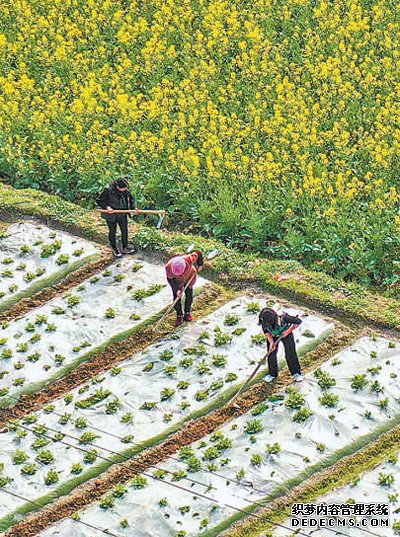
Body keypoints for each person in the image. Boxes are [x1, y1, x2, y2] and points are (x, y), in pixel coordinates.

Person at [258, 307, 303, 382]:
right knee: (271, 354)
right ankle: (272, 374)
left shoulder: (284, 318)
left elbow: (298, 322)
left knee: (290, 353)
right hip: (273, 336)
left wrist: (288, 332)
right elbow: (266, 332)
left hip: (285, 333)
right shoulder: (264, 321)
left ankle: (296, 373)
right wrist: (272, 342)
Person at [96, 178, 137, 257]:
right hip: (111, 215)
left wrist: (133, 208)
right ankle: (114, 248)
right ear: (117, 187)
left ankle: (125, 246)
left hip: (122, 213)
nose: (125, 189)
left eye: (126, 188)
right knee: (112, 231)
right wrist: (107, 207)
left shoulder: (126, 191)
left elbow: (130, 200)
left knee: (124, 230)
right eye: (123, 188)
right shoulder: (108, 190)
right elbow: (99, 200)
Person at [166, 250, 204, 326]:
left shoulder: (189, 259)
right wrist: (177, 290)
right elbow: (170, 280)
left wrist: (200, 265)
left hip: (189, 277)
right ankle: (179, 315)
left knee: (189, 294)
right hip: (177, 282)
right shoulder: (168, 267)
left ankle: (187, 313)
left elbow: (197, 253)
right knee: (176, 298)